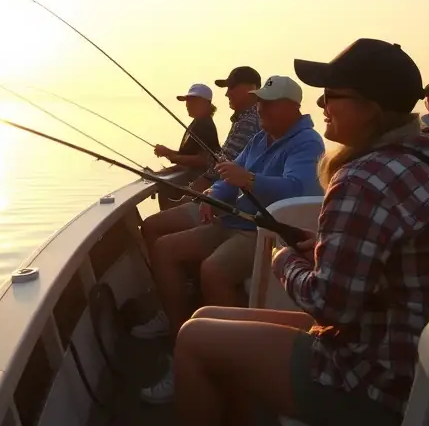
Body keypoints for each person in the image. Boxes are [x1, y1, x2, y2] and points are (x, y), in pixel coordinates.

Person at [173, 39, 429, 426]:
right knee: (207, 315)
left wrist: (284, 258)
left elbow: (329, 305)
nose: (322, 104)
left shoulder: (361, 179)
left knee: (193, 340)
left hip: (382, 379)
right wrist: (320, 249)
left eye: (332, 95)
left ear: (370, 110)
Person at [137, 75, 325, 405]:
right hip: (232, 220)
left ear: (290, 108)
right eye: (259, 101)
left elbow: (300, 190)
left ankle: (233, 366)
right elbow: (230, 173)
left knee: (214, 270)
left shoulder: (307, 142)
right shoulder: (262, 137)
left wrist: (249, 180)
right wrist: (212, 194)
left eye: (266, 103)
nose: (260, 107)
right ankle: (181, 344)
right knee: (164, 249)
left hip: (264, 231)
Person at [153, 83, 223, 210]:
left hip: (200, 181)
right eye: (187, 101)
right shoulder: (198, 122)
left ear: (206, 103)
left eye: (193, 101)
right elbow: (189, 154)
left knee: (165, 187)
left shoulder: (205, 126)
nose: (187, 105)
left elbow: (203, 160)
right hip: (192, 177)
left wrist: (174, 157)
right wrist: (168, 152)